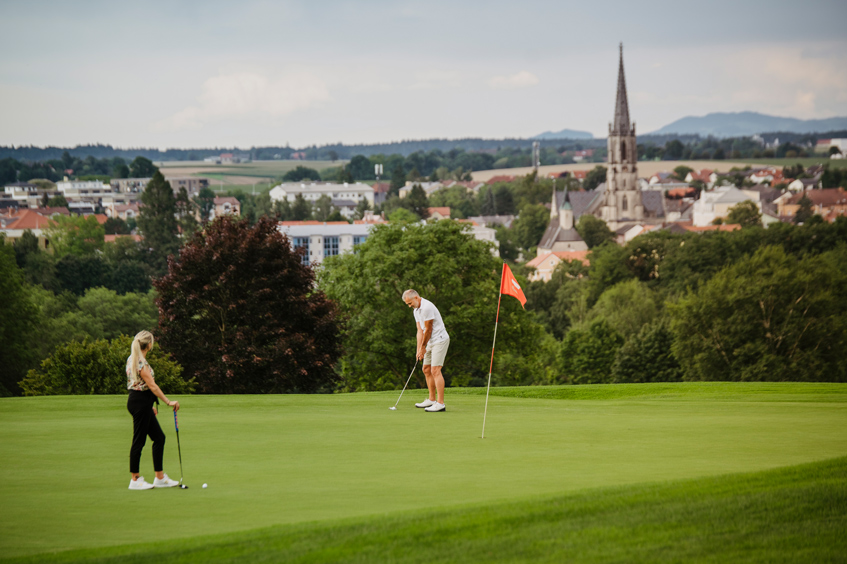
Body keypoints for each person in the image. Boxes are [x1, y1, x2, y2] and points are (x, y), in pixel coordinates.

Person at [126, 330, 181, 490]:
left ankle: (159, 477)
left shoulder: (133, 359)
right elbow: (152, 386)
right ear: (149, 345)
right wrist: (168, 402)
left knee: (159, 438)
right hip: (140, 403)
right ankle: (135, 480)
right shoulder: (140, 362)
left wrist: (151, 405)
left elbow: (141, 386)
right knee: (139, 441)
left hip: (141, 402)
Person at [402, 289, 450, 412]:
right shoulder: (416, 311)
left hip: (439, 340)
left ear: (416, 298)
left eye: (410, 303)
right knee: (426, 369)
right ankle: (431, 399)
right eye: (407, 304)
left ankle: (440, 404)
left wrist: (423, 347)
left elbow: (428, 330)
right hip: (428, 341)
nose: (409, 306)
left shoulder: (427, 307)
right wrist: (419, 349)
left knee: (435, 370)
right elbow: (420, 331)